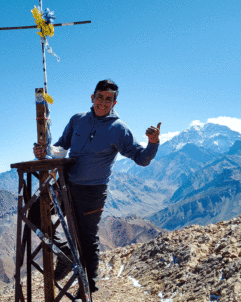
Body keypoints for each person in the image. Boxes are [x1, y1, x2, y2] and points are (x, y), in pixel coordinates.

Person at [33, 79, 160, 298]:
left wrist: (153, 142)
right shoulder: (77, 120)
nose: (102, 102)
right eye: (99, 97)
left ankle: (88, 291)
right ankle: (65, 253)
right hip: (64, 184)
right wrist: (43, 151)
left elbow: (141, 159)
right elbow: (61, 147)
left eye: (108, 99)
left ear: (114, 102)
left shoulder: (119, 129)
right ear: (92, 97)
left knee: (86, 240)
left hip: (92, 192)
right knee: (35, 213)